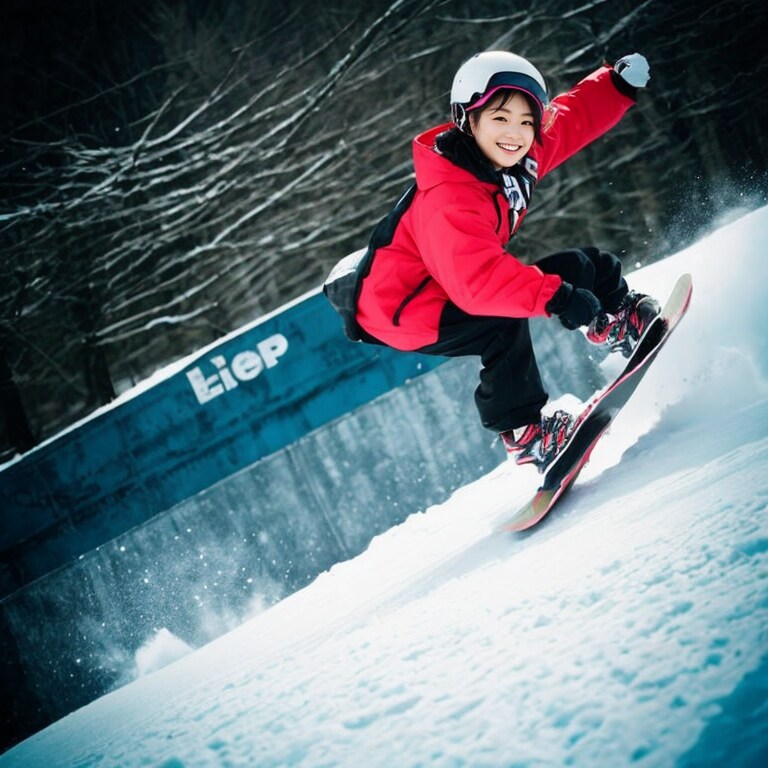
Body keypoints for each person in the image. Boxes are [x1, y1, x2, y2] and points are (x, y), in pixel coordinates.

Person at [324, 50, 660, 472]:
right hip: (403, 306)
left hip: (448, 280)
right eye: (500, 118)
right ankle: (526, 433)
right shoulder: (450, 196)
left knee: (581, 265)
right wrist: (559, 299)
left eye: (526, 121)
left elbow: (569, 120)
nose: (514, 133)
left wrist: (615, 85)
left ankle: (618, 319)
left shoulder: (519, 156)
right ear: (467, 119)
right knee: (501, 323)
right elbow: (479, 284)